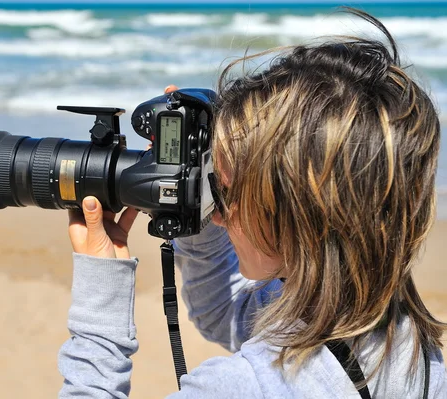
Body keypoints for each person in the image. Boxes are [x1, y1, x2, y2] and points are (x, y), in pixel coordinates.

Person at [58, 8, 446, 398]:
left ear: (297, 217)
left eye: (225, 196)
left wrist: (102, 301)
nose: (220, 218)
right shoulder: (408, 345)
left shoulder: (245, 386)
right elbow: (227, 314)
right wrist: (194, 201)